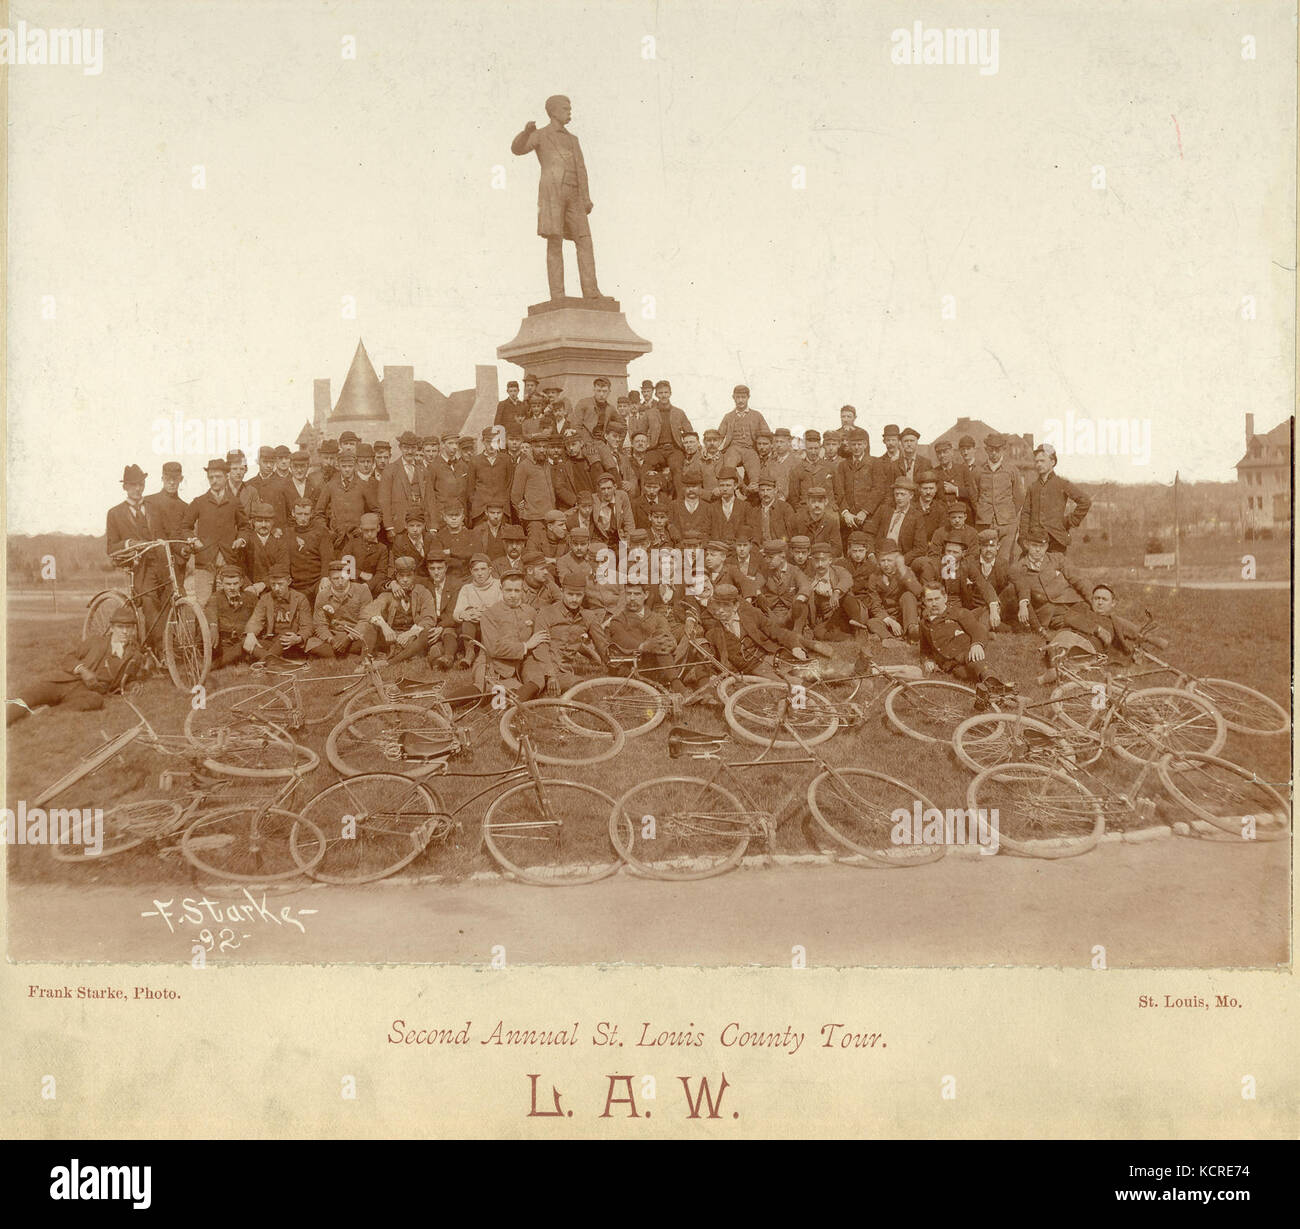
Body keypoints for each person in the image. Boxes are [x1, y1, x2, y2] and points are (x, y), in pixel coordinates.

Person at [510, 95, 601, 300]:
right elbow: (517, 149)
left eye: (570, 108)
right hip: (553, 194)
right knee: (555, 240)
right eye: (565, 108)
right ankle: (558, 295)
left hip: (575, 195)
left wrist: (586, 197)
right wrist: (525, 133)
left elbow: (581, 169)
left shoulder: (573, 140)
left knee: (584, 240)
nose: (569, 112)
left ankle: (591, 291)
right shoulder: (540, 135)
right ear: (553, 112)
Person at [8, 606, 142, 725]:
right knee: (28, 696)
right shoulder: (95, 641)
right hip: (64, 682)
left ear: (133, 630)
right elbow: (68, 658)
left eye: (129, 627)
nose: (125, 632)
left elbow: (127, 679)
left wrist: (133, 685)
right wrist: (82, 670)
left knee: (95, 701)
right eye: (120, 627)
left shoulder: (134, 655)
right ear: (112, 628)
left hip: (87, 692)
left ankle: (46, 713)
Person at [183, 457, 250, 608]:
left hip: (228, 560)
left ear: (226, 477)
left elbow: (245, 527)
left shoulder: (234, 502)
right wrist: (193, 539)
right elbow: (185, 527)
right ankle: (201, 633)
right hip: (204, 561)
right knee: (202, 603)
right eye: (211, 477)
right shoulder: (199, 502)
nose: (214, 480)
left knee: (227, 603)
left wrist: (241, 540)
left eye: (218, 477)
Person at [531, 576, 610, 695]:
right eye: (570, 594)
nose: (574, 599)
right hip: (539, 665)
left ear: (584, 594)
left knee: (584, 691)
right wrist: (551, 675)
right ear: (562, 591)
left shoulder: (589, 617)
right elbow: (540, 648)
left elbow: (603, 646)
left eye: (579, 595)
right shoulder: (547, 613)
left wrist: (617, 668)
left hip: (563, 671)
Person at [477, 571, 548, 692]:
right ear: (501, 589)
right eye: (508, 590)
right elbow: (494, 648)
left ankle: (521, 698)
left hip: (523, 662)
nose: (513, 595)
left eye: (517, 590)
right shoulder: (490, 614)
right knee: (504, 690)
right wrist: (526, 645)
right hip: (494, 664)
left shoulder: (530, 612)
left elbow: (541, 639)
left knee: (537, 680)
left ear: (523, 590)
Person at [358, 557, 435, 667]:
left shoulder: (423, 592)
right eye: (401, 576)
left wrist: (410, 633)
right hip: (390, 637)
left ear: (414, 575)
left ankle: (388, 662)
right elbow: (370, 610)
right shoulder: (388, 594)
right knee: (371, 625)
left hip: (411, 638)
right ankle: (364, 661)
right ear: (396, 576)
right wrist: (385, 627)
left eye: (408, 576)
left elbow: (429, 618)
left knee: (426, 633)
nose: (405, 580)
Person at [918, 582, 997, 689]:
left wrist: (977, 644)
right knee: (963, 675)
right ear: (924, 601)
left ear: (945, 598)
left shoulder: (958, 613)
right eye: (929, 600)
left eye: (937, 599)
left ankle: (993, 682)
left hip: (965, 652)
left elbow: (977, 629)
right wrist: (927, 661)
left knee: (976, 663)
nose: (934, 603)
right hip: (949, 664)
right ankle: (990, 690)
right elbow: (924, 650)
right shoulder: (924, 623)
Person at [1010, 528, 1089, 631]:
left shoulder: (1057, 559)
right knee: (1076, 626)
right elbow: (1020, 594)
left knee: (1096, 616)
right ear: (1026, 545)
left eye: (1042, 546)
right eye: (1034, 546)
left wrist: (1093, 599)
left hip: (1072, 602)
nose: (1038, 550)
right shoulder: (1019, 568)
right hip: (1050, 613)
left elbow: (1078, 579)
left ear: (1047, 546)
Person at [1020, 442, 1092, 553]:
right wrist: (1023, 537)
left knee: (1055, 569)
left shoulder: (1062, 484)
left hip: (1056, 541)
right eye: (1037, 461)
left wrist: (1069, 521)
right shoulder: (1032, 487)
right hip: (1035, 541)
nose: (1038, 464)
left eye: (1042, 461)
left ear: (1052, 462)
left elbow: (1085, 501)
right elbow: (1025, 513)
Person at [972, 431, 1025, 565]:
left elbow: (1019, 496)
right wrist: (982, 511)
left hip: (1007, 523)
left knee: (1004, 560)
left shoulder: (1012, 470)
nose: (994, 453)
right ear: (986, 450)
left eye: (997, 450)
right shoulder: (978, 471)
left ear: (1003, 450)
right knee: (985, 557)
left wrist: (1008, 513)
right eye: (991, 450)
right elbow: (974, 495)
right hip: (984, 522)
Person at [243, 564, 313, 663]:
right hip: (272, 641)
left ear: (289, 581)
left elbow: (307, 626)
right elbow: (256, 619)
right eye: (273, 584)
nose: (276, 588)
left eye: (280, 584)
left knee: (284, 636)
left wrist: (298, 638)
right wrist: (250, 634)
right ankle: (277, 662)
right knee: (245, 641)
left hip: (291, 643)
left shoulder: (300, 598)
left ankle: (261, 663)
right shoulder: (266, 598)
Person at [306, 559, 373, 660]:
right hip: (333, 635)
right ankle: (348, 655)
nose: (340, 582)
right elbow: (320, 624)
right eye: (336, 578)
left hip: (355, 635)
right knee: (311, 643)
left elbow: (365, 620)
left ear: (349, 576)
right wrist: (331, 640)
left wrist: (349, 638)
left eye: (343, 578)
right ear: (329, 579)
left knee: (368, 639)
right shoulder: (322, 595)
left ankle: (334, 654)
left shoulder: (362, 590)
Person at [453, 554, 505, 669]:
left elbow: (502, 609)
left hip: (493, 627)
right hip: (473, 630)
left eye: (483, 569)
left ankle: (487, 655)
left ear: (490, 570)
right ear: (471, 572)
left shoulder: (499, 585)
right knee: (467, 621)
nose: (480, 573)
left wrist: (483, 615)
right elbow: (456, 613)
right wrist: (465, 614)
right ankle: (469, 654)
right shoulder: (467, 588)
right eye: (476, 570)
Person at [205, 565, 260, 669]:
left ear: (241, 583)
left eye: (235, 583)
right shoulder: (215, 597)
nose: (232, 587)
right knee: (234, 657)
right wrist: (213, 626)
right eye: (228, 584)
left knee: (245, 653)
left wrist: (252, 633)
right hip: (225, 642)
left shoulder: (250, 597)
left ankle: (210, 667)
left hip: (244, 638)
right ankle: (211, 667)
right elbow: (211, 611)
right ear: (222, 584)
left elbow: (258, 617)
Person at [716, 384, 769, 481]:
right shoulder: (728, 416)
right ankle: (739, 487)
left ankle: (753, 487)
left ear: (748, 397)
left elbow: (767, 434)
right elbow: (719, 436)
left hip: (750, 448)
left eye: (743, 397)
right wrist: (709, 448)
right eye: (738, 397)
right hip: (733, 449)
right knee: (728, 470)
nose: (740, 400)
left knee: (755, 475)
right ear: (733, 398)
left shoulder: (757, 415)